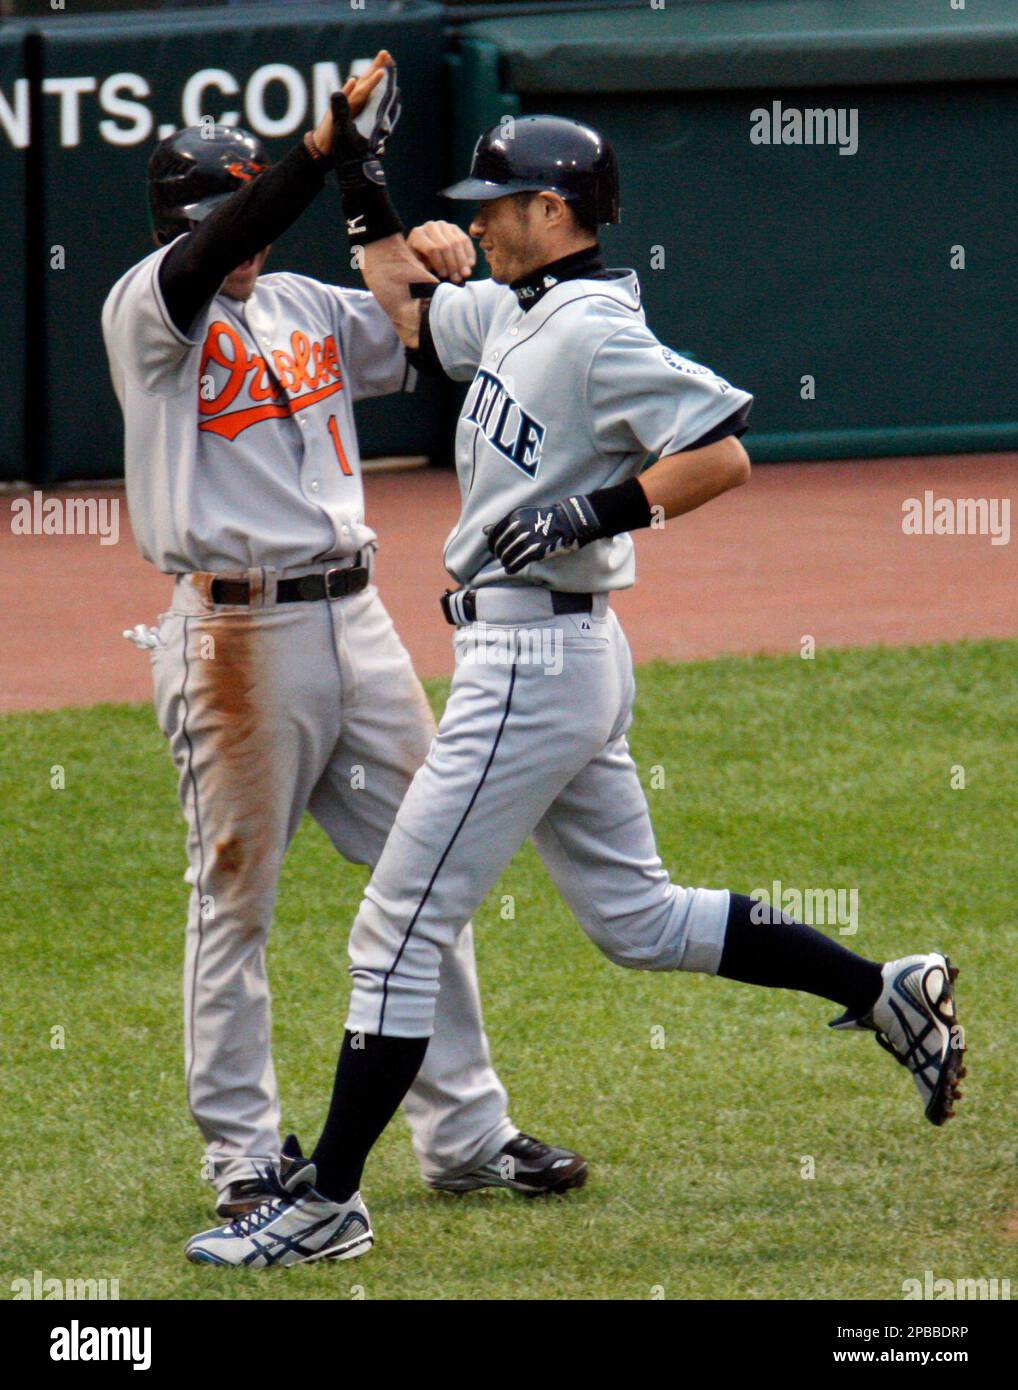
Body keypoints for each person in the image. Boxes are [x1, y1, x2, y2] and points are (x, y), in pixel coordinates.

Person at [184, 80, 966, 1270]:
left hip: (533, 661)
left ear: (552, 209)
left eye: (497, 203)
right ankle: (885, 991)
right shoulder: (516, 309)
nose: (481, 221)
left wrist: (589, 512)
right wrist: (362, 180)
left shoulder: (597, 328)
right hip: (557, 653)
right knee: (638, 919)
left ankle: (326, 1201)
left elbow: (723, 450)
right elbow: (407, 307)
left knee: (393, 932)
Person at [101, 53, 585, 1227]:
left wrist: (433, 252)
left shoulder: (305, 307)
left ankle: (465, 1133)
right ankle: (241, 1156)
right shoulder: (152, 304)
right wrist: (322, 154)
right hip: (234, 640)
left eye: (245, 208)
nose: (242, 237)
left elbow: (424, 341)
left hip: (355, 623)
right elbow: (227, 242)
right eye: (219, 217)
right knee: (236, 901)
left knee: (425, 874)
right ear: (181, 226)